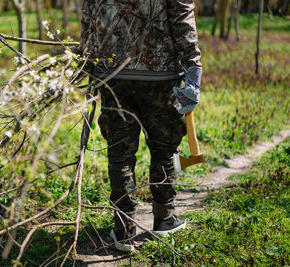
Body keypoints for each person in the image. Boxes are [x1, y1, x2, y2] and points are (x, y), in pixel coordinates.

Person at [80, 0, 202, 252]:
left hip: (113, 71)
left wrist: (88, 57)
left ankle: (123, 229)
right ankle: (164, 219)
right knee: (164, 147)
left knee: (120, 151)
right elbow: (181, 13)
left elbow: (89, 12)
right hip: (159, 71)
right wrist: (192, 64)